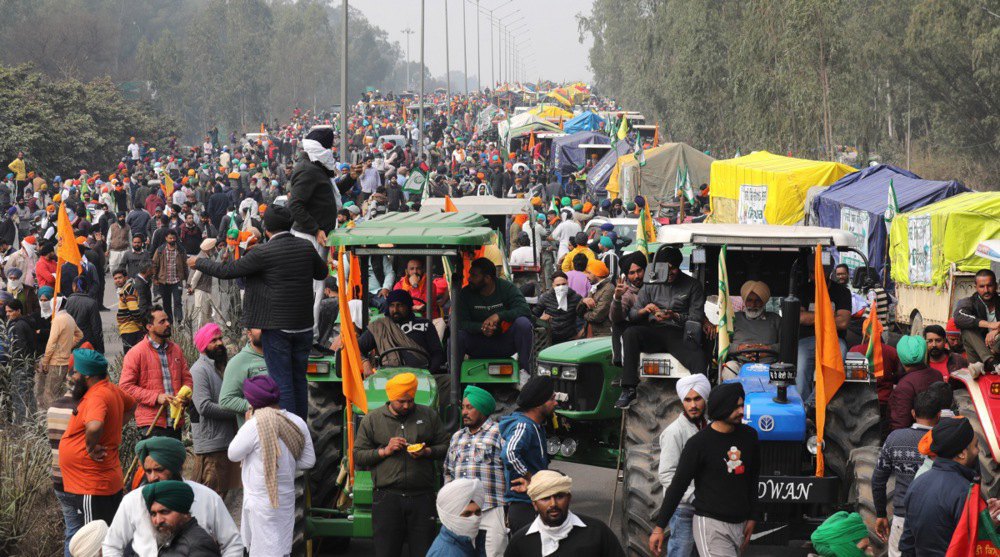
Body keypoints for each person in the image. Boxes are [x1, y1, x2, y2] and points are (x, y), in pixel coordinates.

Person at [190, 205, 327, 420]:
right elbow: (322, 273)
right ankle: (301, 426)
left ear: (266, 228)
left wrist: (199, 262)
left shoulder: (263, 252)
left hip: (278, 328)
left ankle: (289, 429)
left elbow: (228, 271)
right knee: (299, 379)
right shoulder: (305, 247)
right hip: (304, 326)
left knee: (282, 382)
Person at [649, 382, 760, 557]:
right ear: (723, 408)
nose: (742, 411)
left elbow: (753, 479)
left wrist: (753, 517)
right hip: (711, 524)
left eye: (742, 405)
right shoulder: (698, 444)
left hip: (739, 524)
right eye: (736, 406)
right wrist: (659, 527)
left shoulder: (750, 436)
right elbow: (677, 486)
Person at [353, 372, 451, 557]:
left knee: (424, 552)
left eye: (410, 401)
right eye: (401, 401)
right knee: (386, 552)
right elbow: (358, 455)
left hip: (422, 497)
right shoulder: (372, 419)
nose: (406, 405)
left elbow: (446, 446)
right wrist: (385, 451)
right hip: (387, 498)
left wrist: (427, 451)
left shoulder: (429, 415)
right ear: (390, 398)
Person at [102, 437, 241, 557]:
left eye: (159, 469)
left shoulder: (207, 497)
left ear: (176, 467)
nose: (152, 477)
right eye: (148, 471)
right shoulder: (133, 501)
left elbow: (233, 544)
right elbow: (112, 546)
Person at [229, 375, 315, 556]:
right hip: (286, 497)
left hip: (261, 500)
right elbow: (308, 461)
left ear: (253, 401)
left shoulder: (254, 425)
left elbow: (233, 454)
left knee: (262, 549)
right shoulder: (297, 422)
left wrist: (246, 424)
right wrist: (286, 463)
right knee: (281, 546)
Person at [58, 350, 136, 542]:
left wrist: (90, 446)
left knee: (95, 544)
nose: (72, 377)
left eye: (75, 372)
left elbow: (95, 425)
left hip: (92, 485)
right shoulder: (110, 389)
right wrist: (115, 426)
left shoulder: (97, 396)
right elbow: (132, 405)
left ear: (87, 375)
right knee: (110, 539)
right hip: (101, 481)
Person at [617, 247, 706, 408]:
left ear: (678, 267)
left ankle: (700, 399)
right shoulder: (650, 284)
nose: (670, 272)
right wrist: (645, 310)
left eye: (673, 268)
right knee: (630, 333)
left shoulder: (692, 285)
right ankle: (628, 388)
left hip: (679, 333)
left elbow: (696, 317)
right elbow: (633, 314)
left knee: (699, 358)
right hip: (654, 331)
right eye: (666, 269)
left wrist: (674, 316)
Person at [900, 417, 1000, 556]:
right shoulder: (965, 492)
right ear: (962, 453)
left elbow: (907, 544)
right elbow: (974, 545)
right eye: (975, 446)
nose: (977, 451)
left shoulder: (917, 484)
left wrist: (984, 518)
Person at [289, 128, 356, 331]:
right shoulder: (308, 169)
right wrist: (316, 229)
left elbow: (328, 194)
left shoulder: (317, 168)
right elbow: (295, 205)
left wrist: (351, 177)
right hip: (310, 237)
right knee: (315, 288)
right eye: (329, 147)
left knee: (317, 285)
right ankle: (311, 334)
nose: (332, 152)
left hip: (318, 236)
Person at [873, 390, 941, 557]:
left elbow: (877, 480)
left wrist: (881, 514)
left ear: (913, 413)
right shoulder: (944, 440)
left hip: (902, 518)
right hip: (937, 520)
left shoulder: (894, 438)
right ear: (939, 415)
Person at [445, 386, 507, 557]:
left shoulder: (499, 432)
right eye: (463, 407)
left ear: (483, 409)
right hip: (462, 513)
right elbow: (448, 472)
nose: (464, 412)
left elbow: (510, 470)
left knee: (494, 553)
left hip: (491, 508)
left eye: (469, 407)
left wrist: (508, 508)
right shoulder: (457, 437)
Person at [505, 470, 625, 557]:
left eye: (559, 496)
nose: (553, 504)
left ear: (569, 498)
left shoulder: (597, 533)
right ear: (535, 504)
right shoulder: (520, 542)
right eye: (545, 498)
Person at [119, 306, 193, 439]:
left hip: (175, 422)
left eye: (167, 320)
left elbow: (187, 378)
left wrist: (185, 395)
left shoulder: (176, 350)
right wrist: (156, 397)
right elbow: (125, 387)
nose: (168, 324)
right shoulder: (136, 353)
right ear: (149, 326)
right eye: (162, 321)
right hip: (152, 424)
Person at [657, 375, 710, 557]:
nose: (692, 405)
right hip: (684, 508)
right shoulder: (673, 432)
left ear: (705, 399)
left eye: (697, 399)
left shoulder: (709, 427)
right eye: (687, 400)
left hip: (707, 507)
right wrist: (693, 496)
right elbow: (666, 474)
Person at [456, 257, 534, 377]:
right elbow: (461, 322)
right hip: (477, 343)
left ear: (487, 278)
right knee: (456, 336)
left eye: (474, 276)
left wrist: (499, 315)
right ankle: (453, 383)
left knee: (523, 323)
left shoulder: (507, 288)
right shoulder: (465, 293)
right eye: (470, 275)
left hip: (503, 342)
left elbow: (524, 310)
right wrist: (482, 328)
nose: (469, 279)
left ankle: (525, 374)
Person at [500, 375, 558, 534]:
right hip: (523, 506)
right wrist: (529, 477)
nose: (556, 403)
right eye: (552, 399)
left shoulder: (535, 426)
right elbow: (509, 454)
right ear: (539, 403)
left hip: (534, 503)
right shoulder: (523, 426)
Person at [189, 323, 238, 498]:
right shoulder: (199, 370)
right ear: (203, 346)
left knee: (220, 497)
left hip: (224, 442)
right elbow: (204, 406)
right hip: (211, 446)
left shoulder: (221, 367)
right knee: (210, 498)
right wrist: (237, 409)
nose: (219, 343)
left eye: (220, 339)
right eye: (213, 340)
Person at [352, 289, 445, 373]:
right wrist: (365, 362)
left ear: (408, 306)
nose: (395, 310)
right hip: (389, 376)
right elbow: (356, 348)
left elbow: (437, 353)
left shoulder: (425, 324)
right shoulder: (380, 326)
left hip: (422, 374)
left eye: (399, 305)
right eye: (392, 306)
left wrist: (429, 372)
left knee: (449, 383)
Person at [142, 481, 222, 556]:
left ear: (183, 512)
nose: (158, 520)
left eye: (165, 512)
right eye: (153, 514)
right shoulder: (166, 539)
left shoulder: (198, 545)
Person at [36, 296, 84, 410]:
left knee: (49, 393)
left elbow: (51, 342)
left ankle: (50, 420)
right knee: (60, 392)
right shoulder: (69, 317)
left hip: (56, 362)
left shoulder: (58, 319)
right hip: (65, 361)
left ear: (55, 305)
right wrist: (67, 347)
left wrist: (46, 361)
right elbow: (80, 335)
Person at [888, 336, 945, 432]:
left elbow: (900, 424)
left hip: (916, 439)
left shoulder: (905, 385)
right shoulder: (937, 375)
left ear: (901, 357)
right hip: (939, 434)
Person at [218, 328, 268, 427]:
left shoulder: (279, 356)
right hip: (258, 433)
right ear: (249, 333)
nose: (264, 330)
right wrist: (255, 405)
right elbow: (225, 400)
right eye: (259, 327)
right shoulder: (239, 361)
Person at [428, 478, 487, 557]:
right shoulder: (447, 552)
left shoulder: (465, 544)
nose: (475, 519)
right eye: (467, 514)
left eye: (477, 512)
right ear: (451, 517)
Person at [953, 269, 1000, 368]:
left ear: (996, 285)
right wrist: (989, 324)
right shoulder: (970, 302)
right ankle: (991, 361)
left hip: (997, 349)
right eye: (982, 286)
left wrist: (997, 329)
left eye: (989, 285)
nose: (986, 290)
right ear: (976, 288)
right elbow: (958, 317)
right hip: (978, 356)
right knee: (966, 329)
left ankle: (992, 359)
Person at [610, 252, 646, 366]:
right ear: (626, 275)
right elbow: (615, 318)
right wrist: (617, 298)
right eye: (632, 273)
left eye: (639, 271)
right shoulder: (626, 292)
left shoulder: (654, 286)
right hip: (636, 336)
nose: (637, 276)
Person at [533, 272, 583, 344]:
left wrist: (580, 334)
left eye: (563, 284)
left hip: (570, 338)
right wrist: (541, 320)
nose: (561, 287)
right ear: (553, 285)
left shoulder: (575, 298)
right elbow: (534, 316)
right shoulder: (546, 297)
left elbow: (585, 317)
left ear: (567, 283)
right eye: (558, 285)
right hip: (550, 338)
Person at [151, 229, 187, 322]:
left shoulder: (181, 250)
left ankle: (179, 321)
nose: (172, 240)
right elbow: (154, 264)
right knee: (166, 303)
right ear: (166, 238)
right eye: (170, 238)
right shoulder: (160, 250)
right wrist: (154, 277)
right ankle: (169, 322)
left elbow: (185, 265)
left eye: (173, 238)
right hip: (164, 281)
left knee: (177, 302)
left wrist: (187, 280)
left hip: (177, 281)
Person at [65, 275, 104, 353]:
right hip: (87, 344)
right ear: (87, 287)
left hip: (71, 343)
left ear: (73, 286)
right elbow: (96, 328)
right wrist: (100, 348)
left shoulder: (67, 302)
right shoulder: (92, 303)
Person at [578, 258, 614, 336]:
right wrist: (583, 301)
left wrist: (585, 314)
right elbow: (578, 311)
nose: (586, 276)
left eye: (589, 273)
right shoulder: (594, 287)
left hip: (603, 334)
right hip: (592, 332)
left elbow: (597, 316)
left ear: (597, 273)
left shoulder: (609, 289)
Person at [187, 238, 217, 330]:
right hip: (201, 290)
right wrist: (192, 288)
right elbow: (196, 276)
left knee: (207, 314)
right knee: (201, 315)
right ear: (209, 249)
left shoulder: (208, 257)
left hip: (207, 289)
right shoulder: (202, 259)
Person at [113, 268, 144, 352]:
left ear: (126, 278)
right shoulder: (125, 289)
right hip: (128, 329)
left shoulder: (128, 290)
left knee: (130, 358)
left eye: (120, 278)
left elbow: (134, 311)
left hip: (131, 330)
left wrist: (141, 325)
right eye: (115, 279)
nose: (117, 280)